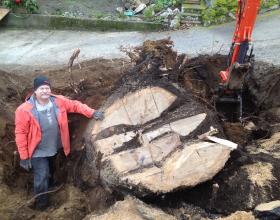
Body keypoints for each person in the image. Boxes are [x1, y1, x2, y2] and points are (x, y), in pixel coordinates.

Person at [15, 76, 104, 210]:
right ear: (35, 91)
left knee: (50, 168)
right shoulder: (24, 110)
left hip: (54, 146)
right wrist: (24, 156)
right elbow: (20, 133)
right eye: (41, 88)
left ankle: (49, 185)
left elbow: (75, 105)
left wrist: (92, 112)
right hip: (37, 150)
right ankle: (42, 203)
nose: (45, 91)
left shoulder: (58, 101)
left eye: (47, 88)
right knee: (42, 173)